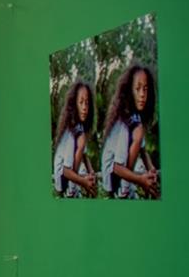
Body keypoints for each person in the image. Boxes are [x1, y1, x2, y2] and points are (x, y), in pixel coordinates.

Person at [100, 63, 159, 199]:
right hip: (112, 179)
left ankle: (129, 183)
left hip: (122, 169)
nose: (142, 94)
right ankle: (123, 189)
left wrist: (151, 168)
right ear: (129, 91)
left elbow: (143, 150)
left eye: (145, 89)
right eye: (137, 89)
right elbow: (116, 167)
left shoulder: (135, 117)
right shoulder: (124, 121)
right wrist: (141, 180)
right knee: (138, 131)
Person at [52, 81, 97, 197]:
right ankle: (71, 189)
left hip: (71, 171)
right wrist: (83, 182)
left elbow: (84, 155)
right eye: (81, 102)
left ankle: (76, 184)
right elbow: (65, 170)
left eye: (87, 103)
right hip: (63, 180)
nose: (84, 108)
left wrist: (91, 171)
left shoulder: (79, 127)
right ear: (74, 105)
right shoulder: (71, 131)